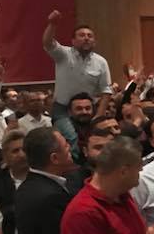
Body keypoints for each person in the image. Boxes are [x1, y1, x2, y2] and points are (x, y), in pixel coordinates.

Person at [42, 10, 112, 145]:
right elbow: (47, 43)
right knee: (71, 138)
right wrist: (52, 24)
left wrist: (99, 115)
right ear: (73, 41)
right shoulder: (64, 55)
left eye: (90, 36)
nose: (86, 38)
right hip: (63, 109)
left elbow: (106, 91)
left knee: (96, 140)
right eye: (82, 35)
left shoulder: (101, 62)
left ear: (94, 42)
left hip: (88, 109)